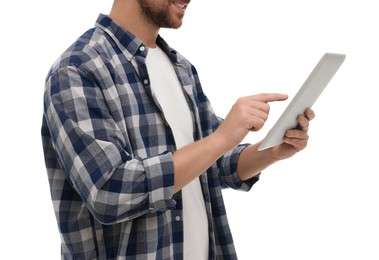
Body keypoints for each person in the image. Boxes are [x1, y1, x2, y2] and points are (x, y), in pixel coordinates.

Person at [41, 0, 315, 259]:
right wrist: (221, 138)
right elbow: (109, 191)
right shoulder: (78, 69)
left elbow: (214, 165)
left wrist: (272, 151)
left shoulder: (181, 68)